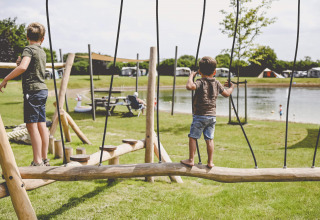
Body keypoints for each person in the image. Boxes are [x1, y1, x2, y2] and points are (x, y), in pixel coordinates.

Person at [0, 22, 49, 166]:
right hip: (42, 90)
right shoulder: (42, 51)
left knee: (31, 126)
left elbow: (23, 67)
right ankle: (45, 159)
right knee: (41, 125)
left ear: (27, 36)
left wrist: (5, 79)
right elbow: (30, 67)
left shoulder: (28, 49)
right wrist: (21, 63)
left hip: (32, 91)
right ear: (43, 38)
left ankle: (37, 161)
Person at [180, 56, 234, 168]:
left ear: (199, 71)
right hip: (212, 116)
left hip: (200, 115)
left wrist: (191, 76)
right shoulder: (217, 83)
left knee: (193, 137)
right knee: (209, 139)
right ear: (214, 72)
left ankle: (191, 160)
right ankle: (210, 162)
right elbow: (227, 94)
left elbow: (189, 86)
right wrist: (232, 87)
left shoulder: (200, 82)